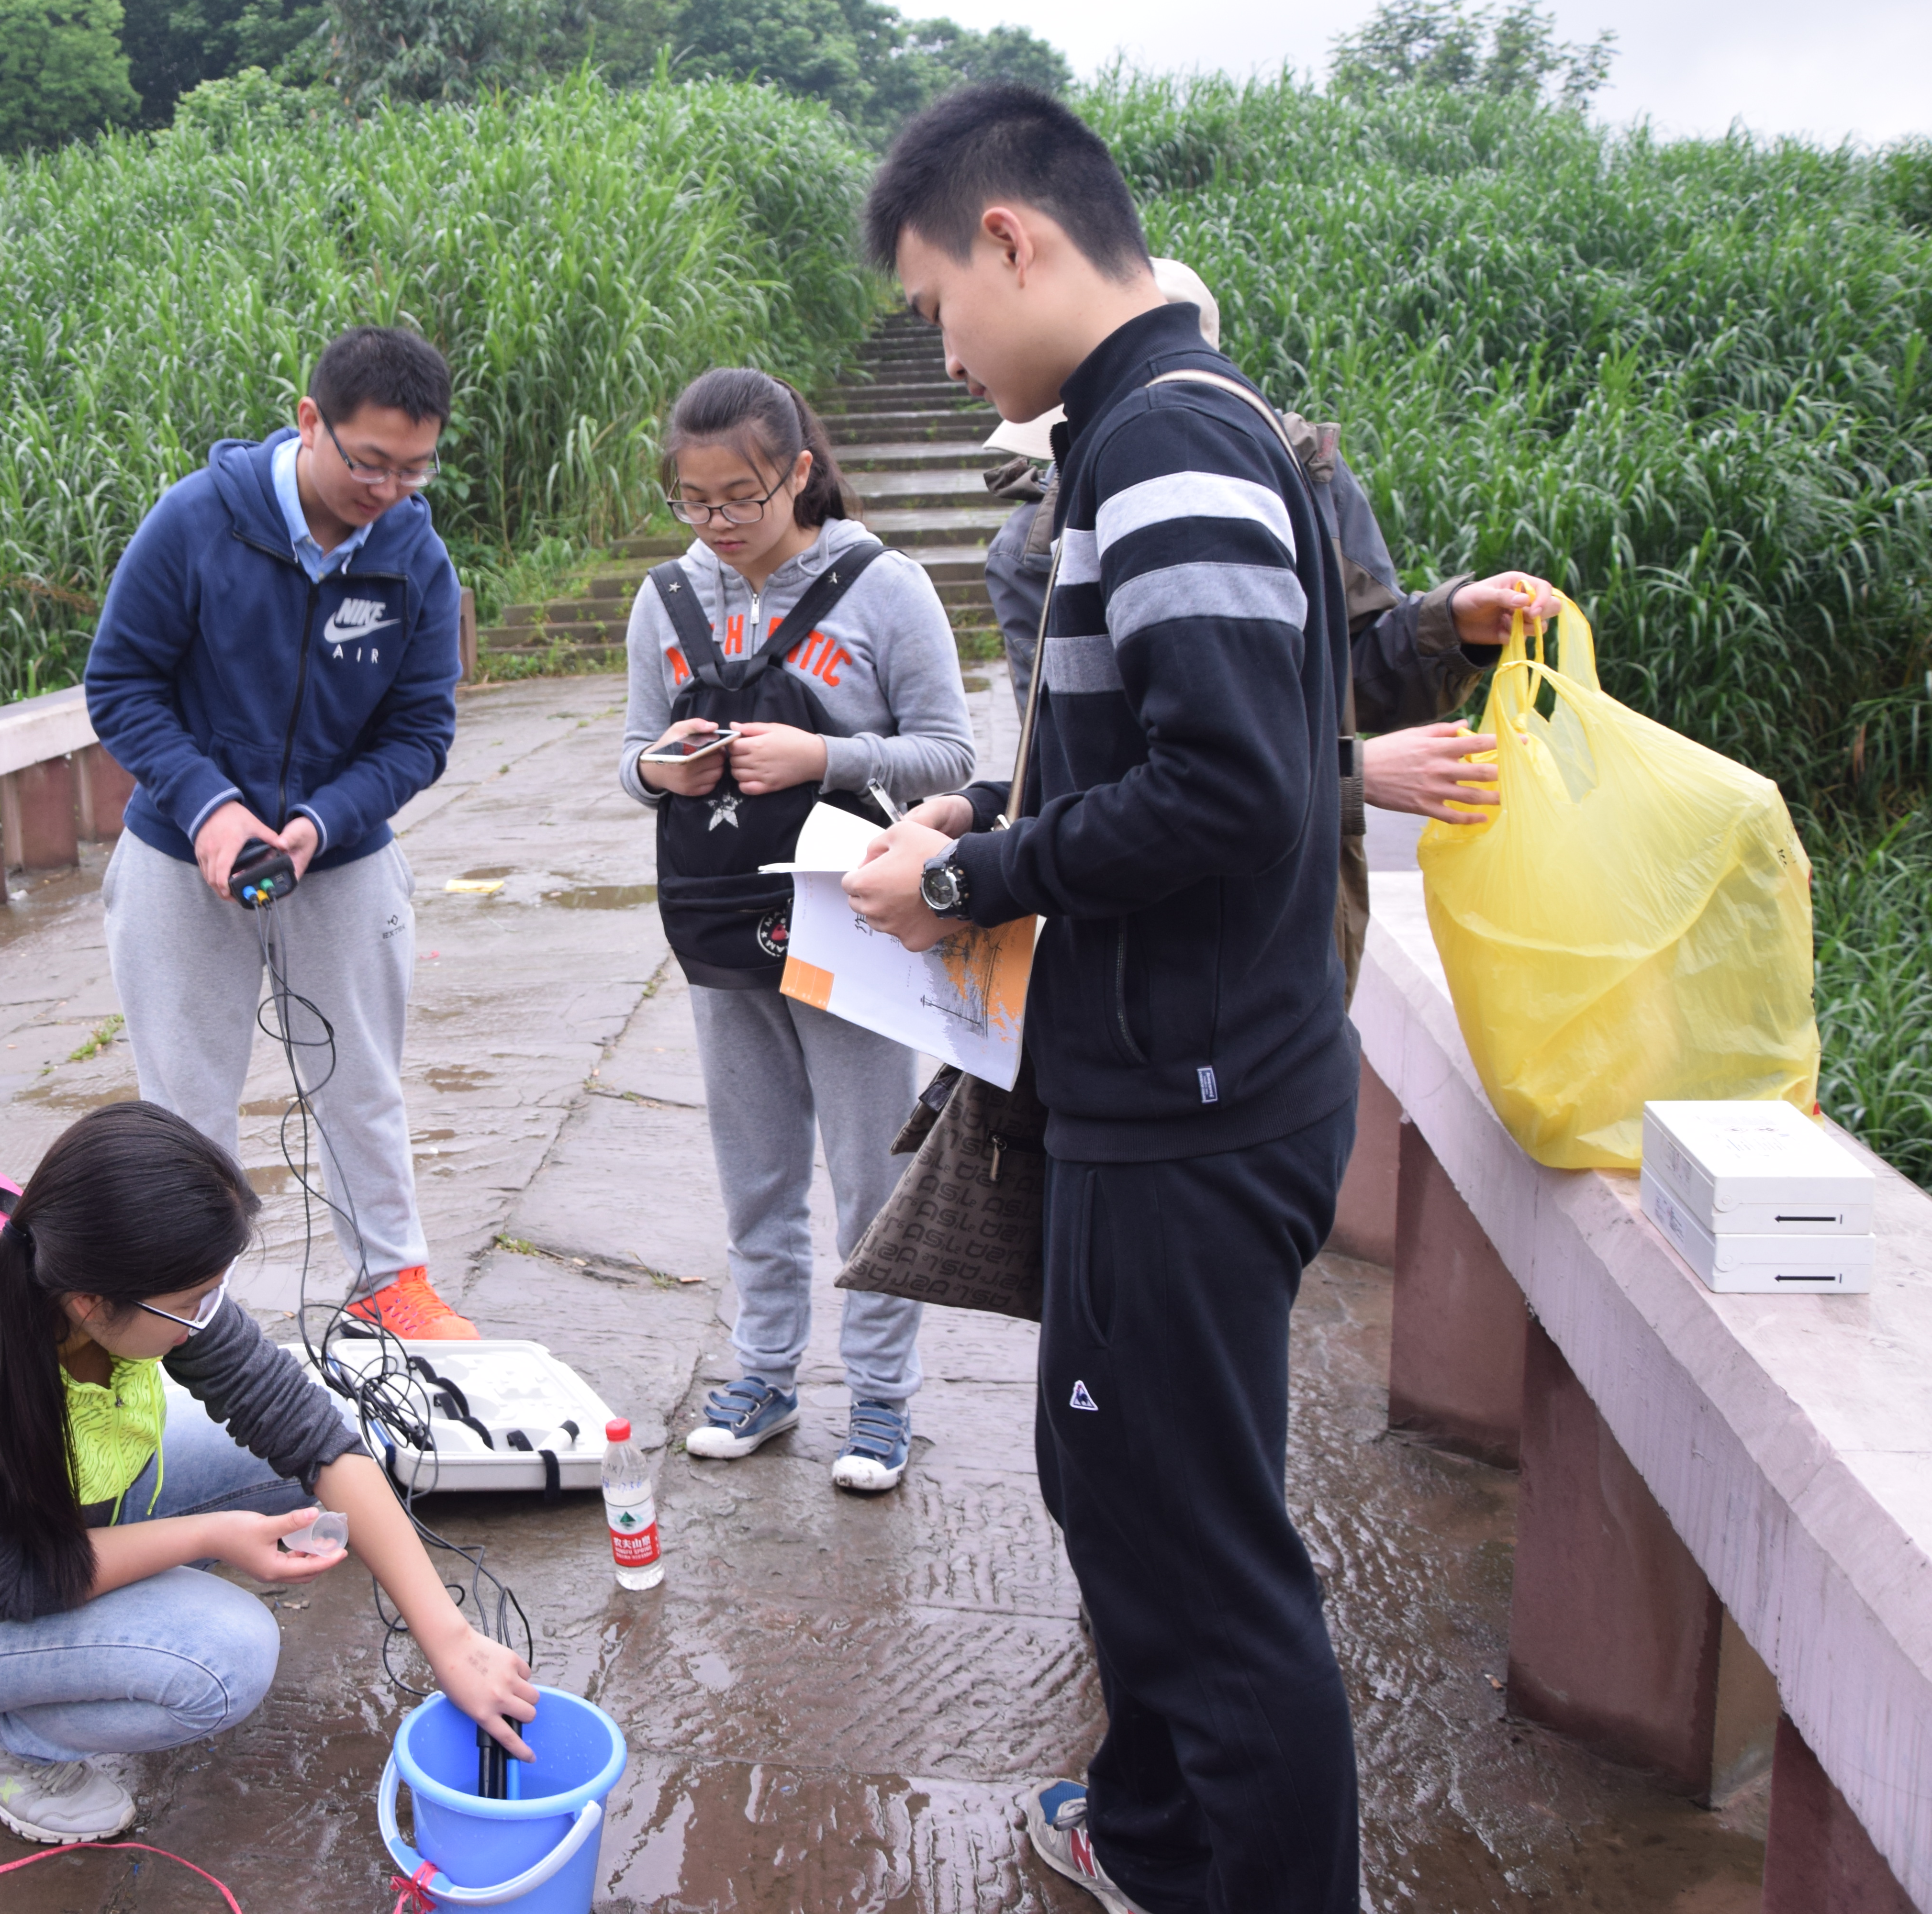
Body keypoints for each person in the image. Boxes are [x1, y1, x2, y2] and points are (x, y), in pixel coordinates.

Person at [844, 85, 1367, 1914]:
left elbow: (1235, 791)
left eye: (933, 303)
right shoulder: (1156, 431)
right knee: (1127, 1504)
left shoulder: (1163, 445)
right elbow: (1154, 752)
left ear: (1011, 238)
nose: (942, 341)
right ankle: (1148, 1840)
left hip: (1197, 1100)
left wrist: (974, 882)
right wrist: (983, 814)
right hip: (1176, 1077)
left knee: (1202, 1564)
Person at [0, 1100, 540, 1844]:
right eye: (193, 1302)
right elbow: (6, 1584)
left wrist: (450, 1641)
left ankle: (109, 1635)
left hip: (68, 1514)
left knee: (316, 1472)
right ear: (90, 1303)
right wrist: (216, 1534)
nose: (209, 1315)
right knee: (224, 1658)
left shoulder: (125, 1287)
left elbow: (312, 1434)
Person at [618, 368, 977, 1492]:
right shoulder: (665, 601)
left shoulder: (886, 586)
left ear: (800, 472)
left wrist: (825, 758)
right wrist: (659, 767)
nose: (719, 524)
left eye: (744, 497)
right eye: (696, 501)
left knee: (868, 1171)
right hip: (722, 921)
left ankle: (880, 1398)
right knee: (755, 1170)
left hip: (848, 918)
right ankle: (765, 1371)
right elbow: (632, 765)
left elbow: (950, 755)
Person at [84, 328, 473, 1338]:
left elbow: (423, 729)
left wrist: (319, 822)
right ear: (311, 422)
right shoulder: (197, 522)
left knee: (359, 1079)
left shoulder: (414, 557)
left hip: (340, 858)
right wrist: (208, 807)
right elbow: (119, 683)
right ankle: (184, 1302)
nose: (389, 487)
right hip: (180, 853)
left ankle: (391, 1281)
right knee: (183, 1099)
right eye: (369, 460)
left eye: (414, 466)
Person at [976, 260, 1564, 853]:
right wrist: (1352, 776)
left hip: (1302, 895)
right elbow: (1083, 767)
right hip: (1163, 901)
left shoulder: (1306, 477)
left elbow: (1340, 671)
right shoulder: (1035, 552)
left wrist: (1450, 623)